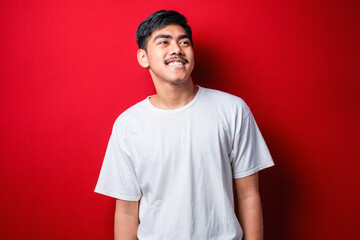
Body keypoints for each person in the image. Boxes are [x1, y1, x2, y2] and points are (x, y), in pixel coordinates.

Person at [95, 10, 274, 240]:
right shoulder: (128, 124)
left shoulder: (233, 110)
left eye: (184, 42)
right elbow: (127, 212)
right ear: (143, 57)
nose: (177, 49)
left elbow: (249, 195)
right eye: (164, 41)